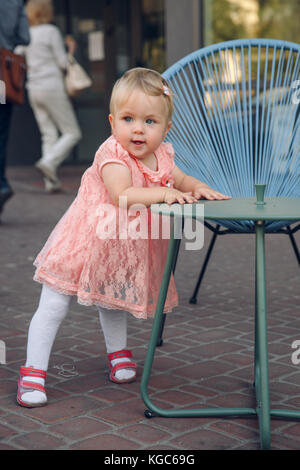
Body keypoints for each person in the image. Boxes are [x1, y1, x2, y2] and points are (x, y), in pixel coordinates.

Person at [16, 67, 231, 408]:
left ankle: (118, 355)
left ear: (166, 128)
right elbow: (123, 195)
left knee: (112, 299)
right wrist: (163, 195)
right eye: (129, 119)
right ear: (113, 122)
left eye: (150, 121)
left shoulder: (163, 154)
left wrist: (197, 187)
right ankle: (33, 370)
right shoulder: (112, 153)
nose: (138, 129)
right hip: (86, 238)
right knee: (54, 303)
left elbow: (181, 177)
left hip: (121, 243)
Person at [17, 0, 82, 193]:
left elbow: (18, 55)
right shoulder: (51, 31)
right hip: (52, 87)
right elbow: (63, 63)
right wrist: (70, 50)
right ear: (47, 11)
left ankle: (51, 182)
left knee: (48, 134)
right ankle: (49, 161)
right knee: (72, 132)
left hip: (33, 89)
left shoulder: (27, 33)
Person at [0, 0, 30, 216]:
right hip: (2, 77)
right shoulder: (14, 3)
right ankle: (0, 183)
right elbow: (24, 37)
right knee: (1, 133)